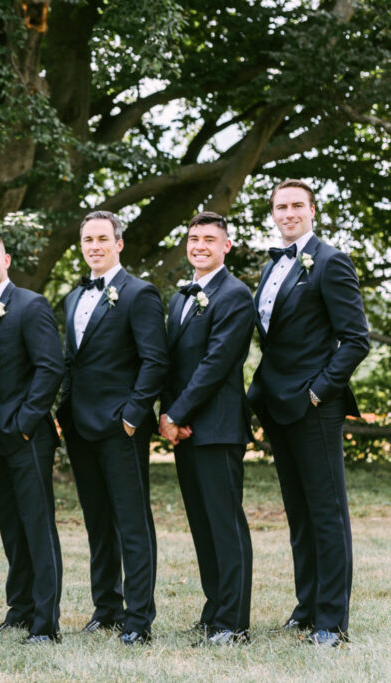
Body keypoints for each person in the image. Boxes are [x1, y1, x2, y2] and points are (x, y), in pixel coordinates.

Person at [248, 179, 369, 647]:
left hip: (315, 407)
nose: (289, 213)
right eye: (281, 206)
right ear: (273, 213)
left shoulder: (331, 261)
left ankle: (331, 623)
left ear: (312, 210)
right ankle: (307, 607)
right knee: (299, 513)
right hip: (278, 405)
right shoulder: (268, 269)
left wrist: (318, 391)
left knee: (327, 513)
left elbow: (355, 338)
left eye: (297, 205)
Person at [57, 210, 167, 646]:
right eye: (88, 239)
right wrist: (63, 409)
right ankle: (107, 608)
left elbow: (155, 360)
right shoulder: (72, 298)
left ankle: (139, 619)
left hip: (121, 428)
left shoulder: (139, 294)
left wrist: (132, 415)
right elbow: (71, 361)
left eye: (103, 238)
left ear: (119, 243)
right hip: (80, 428)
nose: (95, 246)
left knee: (132, 522)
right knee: (97, 523)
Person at [158, 212, 255, 645]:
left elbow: (216, 364)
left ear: (225, 246)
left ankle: (233, 623)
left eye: (209, 239)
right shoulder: (180, 298)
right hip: (185, 431)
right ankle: (215, 609)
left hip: (217, 427)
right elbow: (171, 364)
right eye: (194, 238)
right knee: (202, 525)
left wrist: (175, 414)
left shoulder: (235, 295)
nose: (199, 245)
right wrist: (167, 417)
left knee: (225, 524)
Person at [0, 230, 65, 645]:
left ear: (5, 260)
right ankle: (19, 609)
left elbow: (49, 368)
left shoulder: (30, 304)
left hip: (27, 437)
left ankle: (46, 622)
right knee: (12, 527)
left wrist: (25, 422)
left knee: (38, 526)